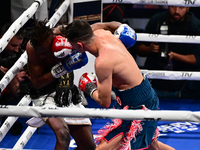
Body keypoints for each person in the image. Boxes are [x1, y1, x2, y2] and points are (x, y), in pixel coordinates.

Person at [63, 19, 175, 150]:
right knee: (153, 145)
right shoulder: (103, 33)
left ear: (80, 46)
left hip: (139, 108)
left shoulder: (102, 62)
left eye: (72, 46)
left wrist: (89, 86)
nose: (72, 50)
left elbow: (104, 102)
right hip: (138, 98)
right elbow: (110, 24)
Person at [25, 20, 96, 150]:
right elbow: (37, 84)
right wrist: (63, 67)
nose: (42, 55)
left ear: (54, 39)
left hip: (67, 92)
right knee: (63, 135)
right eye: (39, 51)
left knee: (88, 147)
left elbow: (89, 31)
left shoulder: (64, 33)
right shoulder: (32, 49)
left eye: (45, 51)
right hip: (45, 96)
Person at [137, 6, 200, 99]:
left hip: (184, 89)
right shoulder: (157, 20)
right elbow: (139, 49)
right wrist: (149, 49)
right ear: (168, 5)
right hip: (154, 86)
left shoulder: (195, 25)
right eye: (173, 6)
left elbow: (198, 59)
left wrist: (174, 56)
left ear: (188, 7)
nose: (177, 11)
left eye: (181, 7)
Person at [0, 22, 31, 135]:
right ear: (3, 38)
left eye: (19, 45)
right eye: (13, 45)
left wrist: (22, 72)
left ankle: (9, 120)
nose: (17, 49)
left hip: (11, 90)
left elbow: (25, 66)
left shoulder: (18, 53)